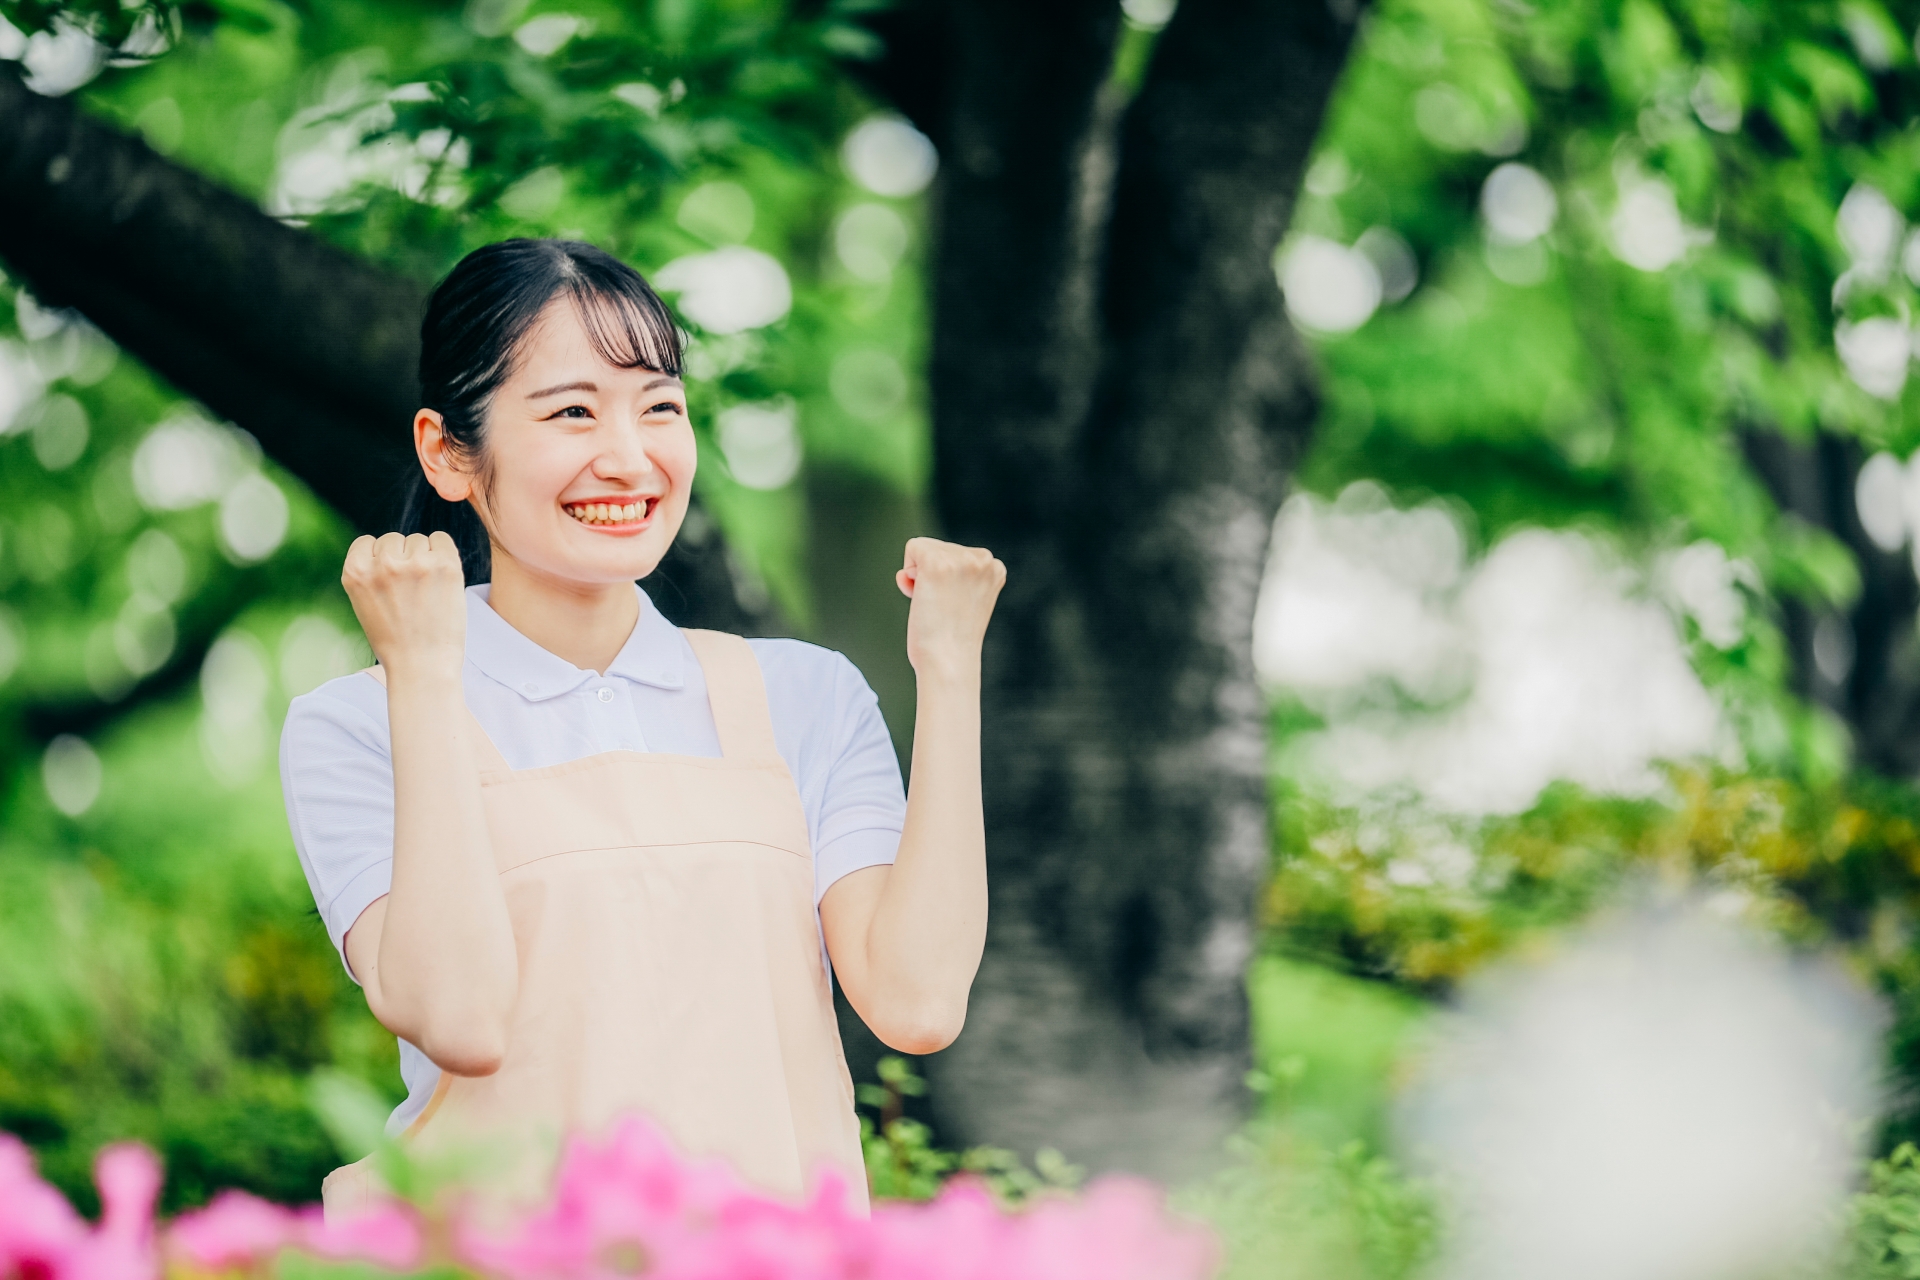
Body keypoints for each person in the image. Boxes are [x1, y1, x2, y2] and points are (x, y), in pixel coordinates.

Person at [278, 239, 1003, 1218]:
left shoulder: (806, 696)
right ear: (447, 451)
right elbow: (461, 1016)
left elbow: (917, 1001)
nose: (629, 457)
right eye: (572, 412)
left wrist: (950, 671)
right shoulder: (358, 723)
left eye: (659, 406)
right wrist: (424, 676)